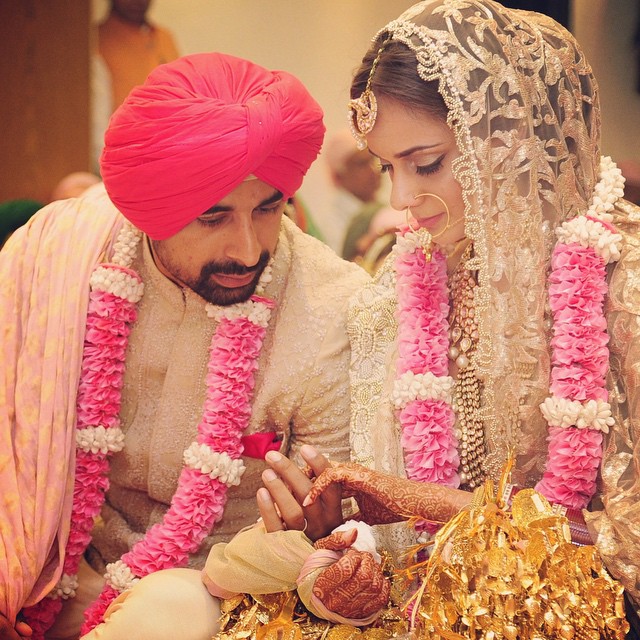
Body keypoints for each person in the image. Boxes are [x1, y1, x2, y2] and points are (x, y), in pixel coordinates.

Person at [260, 0, 640, 628]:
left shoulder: (621, 277)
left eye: (426, 163)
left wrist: (432, 504)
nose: (400, 198)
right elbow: (391, 527)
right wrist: (341, 542)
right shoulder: (400, 285)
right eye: (387, 167)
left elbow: (627, 543)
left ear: (511, 143)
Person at [0, 52, 369, 640]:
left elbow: (334, 533)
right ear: (150, 211)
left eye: (268, 208)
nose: (248, 250)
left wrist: (318, 534)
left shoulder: (332, 310)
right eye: (212, 217)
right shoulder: (64, 259)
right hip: (60, 572)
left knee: (167, 611)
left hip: (217, 591)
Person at [318, 129, 384, 256]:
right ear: (339, 174)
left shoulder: (386, 207)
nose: (374, 170)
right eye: (362, 164)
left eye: (373, 160)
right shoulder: (330, 225)